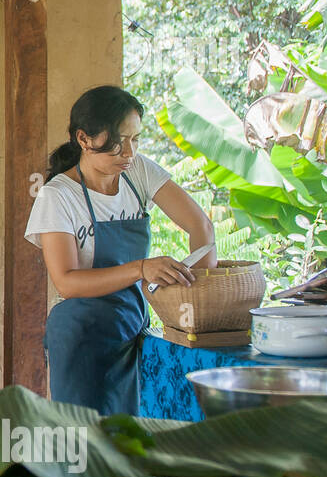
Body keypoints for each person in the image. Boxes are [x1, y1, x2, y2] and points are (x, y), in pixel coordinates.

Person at [25, 85, 216, 414]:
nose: (129, 152)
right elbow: (67, 282)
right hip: (80, 331)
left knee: (127, 435)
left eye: (136, 139)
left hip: (131, 318)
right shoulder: (57, 196)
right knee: (84, 437)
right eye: (118, 143)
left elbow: (201, 227)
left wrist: (199, 306)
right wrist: (140, 268)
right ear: (84, 139)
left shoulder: (137, 171)